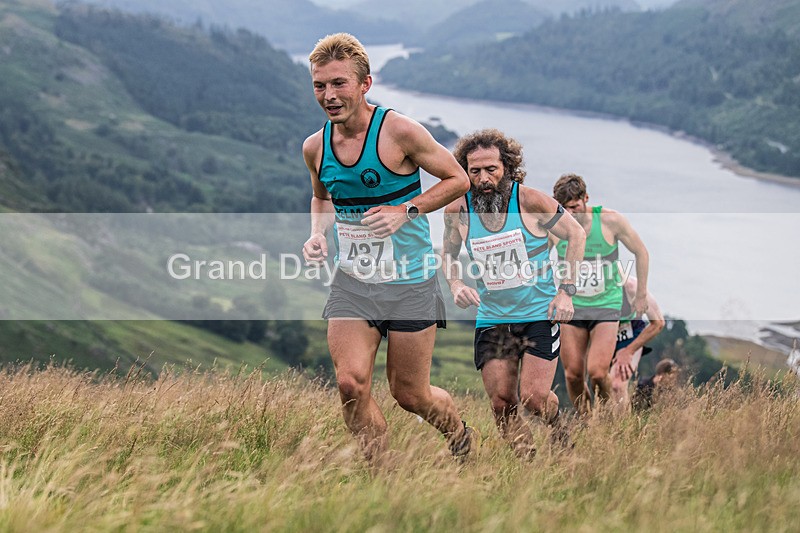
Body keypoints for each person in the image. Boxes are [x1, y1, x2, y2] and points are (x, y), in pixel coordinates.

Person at [301, 33, 474, 463]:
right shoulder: (315, 147)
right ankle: (383, 480)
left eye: (339, 83)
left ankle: (459, 435)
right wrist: (318, 234)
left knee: (410, 395)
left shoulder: (399, 132)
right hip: (354, 283)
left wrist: (407, 210)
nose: (329, 95)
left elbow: (458, 180)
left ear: (365, 84)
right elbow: (322, 198)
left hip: (410, 284)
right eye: (320, 85)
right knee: (350, 385)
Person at [441, 129, 585, 456]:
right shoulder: (457, 210)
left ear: (506, 165)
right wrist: (457, 284)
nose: (484, 178)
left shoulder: (530, 201)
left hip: (538, 313)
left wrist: (566, 292)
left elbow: (575, 234)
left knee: (534, 399)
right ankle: (527, 467)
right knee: (501, 402)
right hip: (493, 317)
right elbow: (448, 255)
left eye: (491, 169)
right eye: (474, 171)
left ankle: (559, 431)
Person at [552, 173, 650, 414]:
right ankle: (586, 424)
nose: (571, 214)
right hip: (572, 307)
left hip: (606, 304)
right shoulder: (554, 225)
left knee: (597, 372)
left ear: (586, 198)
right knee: (573, 374)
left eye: (575, 207)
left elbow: (641, 252)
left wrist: (641, 294)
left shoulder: (610, 221)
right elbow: (537, 260)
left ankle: (607, 421)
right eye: (565, 209)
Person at [609, 275, 665, 413]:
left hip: (630, 337)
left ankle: (622, 429)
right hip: (605, 337)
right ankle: (599, 424)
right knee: (600, 383)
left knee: (617, 384)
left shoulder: (632, 287)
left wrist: (629, 351)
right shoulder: (587, 290)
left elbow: (658, 323)